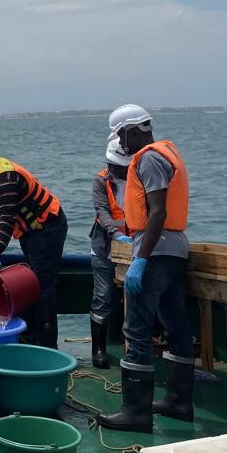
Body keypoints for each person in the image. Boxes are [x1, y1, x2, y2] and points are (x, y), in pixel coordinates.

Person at [97, 104, 193, 433]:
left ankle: (136, 412)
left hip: (155, 251)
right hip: (175, 249)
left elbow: (158, 212)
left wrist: (141, 259)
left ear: (133, 130)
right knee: (176, 326)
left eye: (121, 135)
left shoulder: (149, 158)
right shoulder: (169, 152)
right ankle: (179, 402)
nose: (121, 143)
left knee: (136, 328)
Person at [0, 136, 68, 348]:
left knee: (42, 288)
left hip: (47, 228)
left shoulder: (4, 179)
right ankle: (31, 337)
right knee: (32, 284)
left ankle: (47, 346)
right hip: (30, 232)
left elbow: (6, 219)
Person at [88, 134, 133, 368]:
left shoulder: (138, 179)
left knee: (136, 296)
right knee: (103, 296)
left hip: (133, 247)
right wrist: (116, 234)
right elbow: (102, 211)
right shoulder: (100, 182)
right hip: (104, 247)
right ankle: (98, 350)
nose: (117, 170)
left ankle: (136, 346)